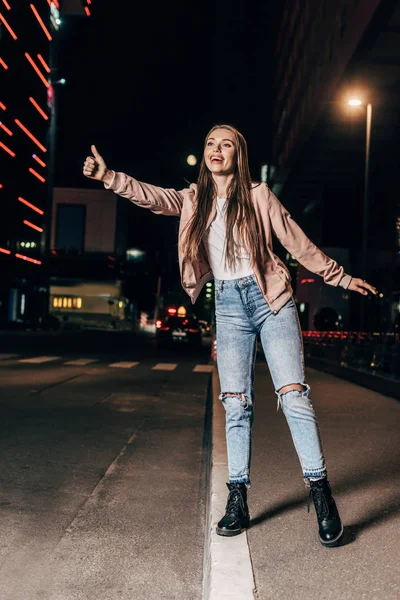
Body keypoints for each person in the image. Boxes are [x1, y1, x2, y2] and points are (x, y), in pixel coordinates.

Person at [83, 124, 377, 547]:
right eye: (209, 143)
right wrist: (109, 178)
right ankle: (237, 499)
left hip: (270, 299)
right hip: (228, 305)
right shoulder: (192, 200)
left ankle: (321, 494)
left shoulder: (258, 196)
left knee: (293, 395)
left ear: (238, 155)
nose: (216, 149)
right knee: (235, 404)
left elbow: (297, 242)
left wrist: (342, 277)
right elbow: (150, 197)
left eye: (226, 144)